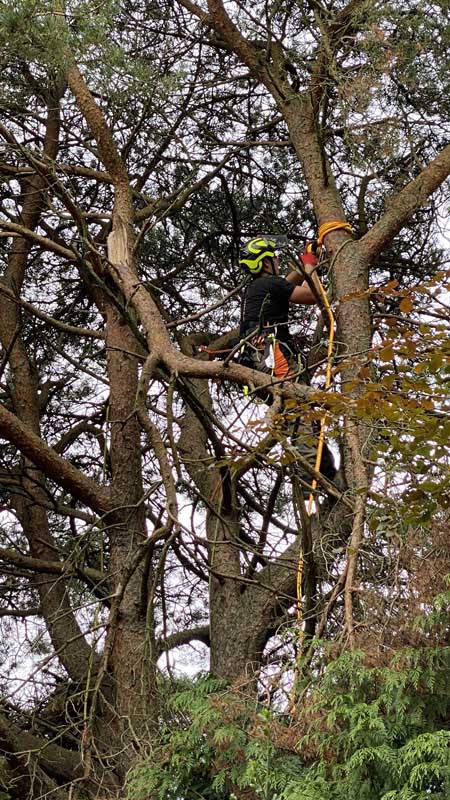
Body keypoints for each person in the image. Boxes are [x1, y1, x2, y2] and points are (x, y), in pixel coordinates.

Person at [238, 235, 337, 487]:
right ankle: (310, 484)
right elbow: (316, 295)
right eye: (274, 258)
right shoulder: (269, 285)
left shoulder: (260, 287)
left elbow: (285, 283)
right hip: (275, 361)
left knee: (300, 419)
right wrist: (308, 265)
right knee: (301, 420)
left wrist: (308, 260)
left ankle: (324, 472)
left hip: (256, 364)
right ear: (265, 263)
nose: (278, 261)